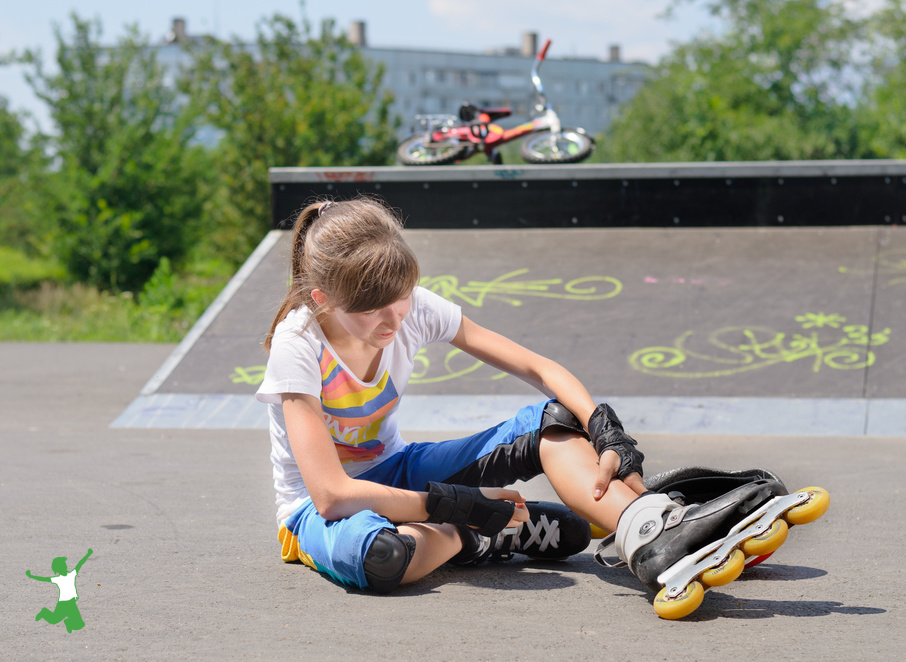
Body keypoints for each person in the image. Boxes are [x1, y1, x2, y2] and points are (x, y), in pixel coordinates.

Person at [256, 197, 819, 614]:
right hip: (317, 509)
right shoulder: (297, 344)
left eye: (401, 299)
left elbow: (541, 370)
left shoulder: (410, 308)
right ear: (323, 297)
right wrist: (465, 510)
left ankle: (648, 525)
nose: (394, 320)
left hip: (400, 471)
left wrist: (604, 431)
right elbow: (332, 494)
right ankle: (484, 537)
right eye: (373, 310)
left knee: (558, 414)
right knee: (383, 557)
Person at [26, 548, 93, 633]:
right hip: (63, 604)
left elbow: (80, 563)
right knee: (54, 620)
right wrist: (31, 576)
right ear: (57, 569)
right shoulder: (57, 579)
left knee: (80, 624)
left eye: (65, 565)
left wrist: (88, 554)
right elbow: (43, 579)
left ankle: (68, 622)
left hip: (72, 603)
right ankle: (44, 612)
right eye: (62, 566)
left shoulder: (71, 574)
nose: (65, 566)